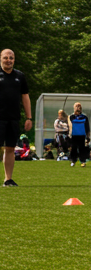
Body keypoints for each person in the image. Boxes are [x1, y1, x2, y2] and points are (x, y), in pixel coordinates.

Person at [0, 48, 33, 186]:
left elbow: (25, 96)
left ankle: (8, 179)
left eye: (11, 57)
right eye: (6, 57)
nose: (9, 60)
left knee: (10, 148)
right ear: (0, 59)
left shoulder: (20, 76)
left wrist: (29, 117)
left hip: (13, 118)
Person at [68, 102, 90, 167]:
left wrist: (88, 136)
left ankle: (83, 161)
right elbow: (69, 125)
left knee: (82, 149)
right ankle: (73, 161)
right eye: (76, 106)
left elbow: (87, 127)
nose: (78, 108)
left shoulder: (84, 117)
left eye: (79, 106)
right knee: (73, 148)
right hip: (74, 135)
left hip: (82, 135)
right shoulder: (71, 117)